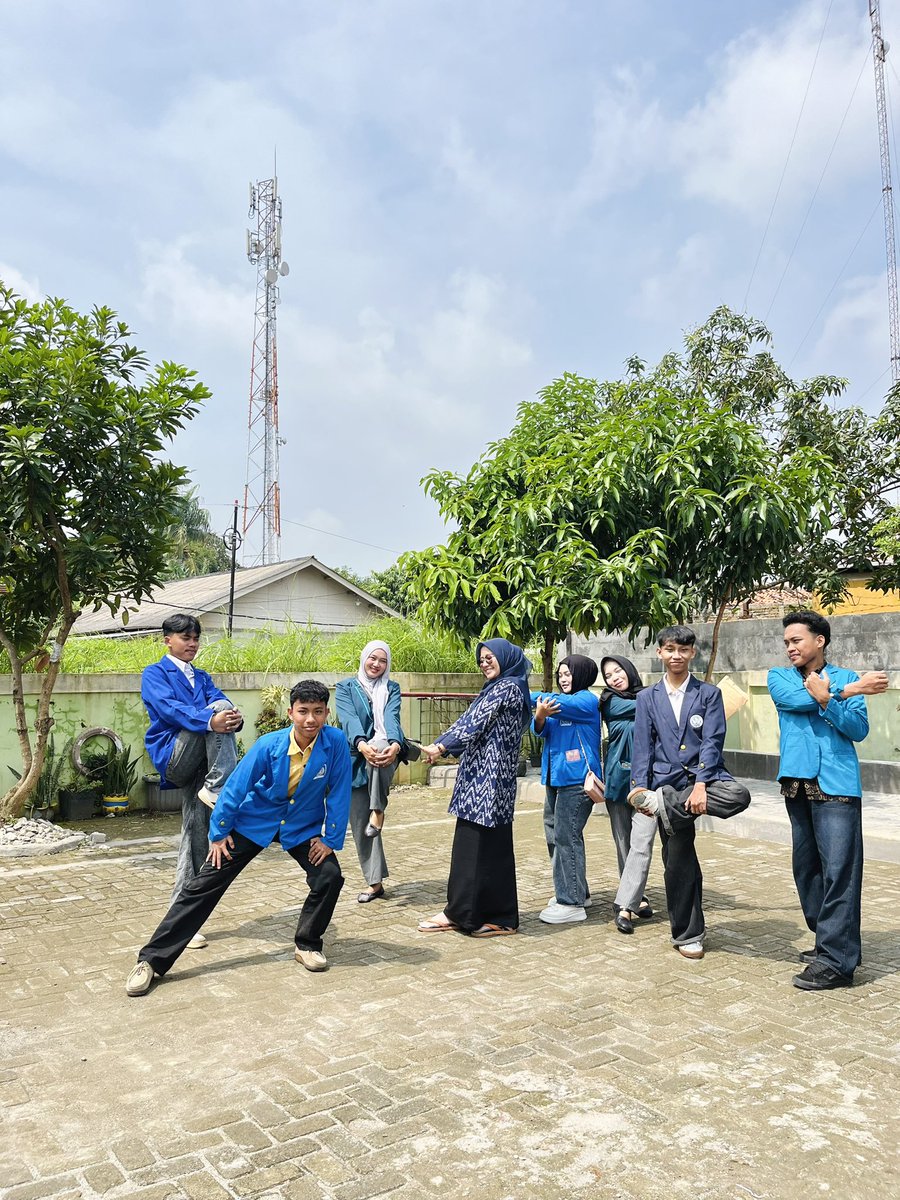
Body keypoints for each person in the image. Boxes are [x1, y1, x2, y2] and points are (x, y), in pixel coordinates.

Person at [125, 680, 351, 995]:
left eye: (317, 712)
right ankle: (151, 961)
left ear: (327, 713)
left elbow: (339, 791)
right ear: (291, 712)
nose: (310, 719)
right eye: (303, 711)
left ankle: (307, 944)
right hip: (253, 822)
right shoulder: (269, 745)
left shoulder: (336, 743)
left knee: (330, 876)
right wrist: (218, 835)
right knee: (202, 886)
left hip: (300, 828)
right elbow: (235, 789)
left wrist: (330, 839)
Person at [768, 611, 888, 991]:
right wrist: (845, 692)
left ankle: (837, 961)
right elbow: (793, 701)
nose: (790, 647)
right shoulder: (780, 678)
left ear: (819, 640)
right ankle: (829, 941)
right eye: (786, 642)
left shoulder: (849, 674)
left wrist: (830, 698)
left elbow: (858, 729)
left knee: (840, 872)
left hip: (837, 784)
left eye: (796, 640)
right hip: (796, 784)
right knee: (807, 871)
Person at [628, 625, 751, 960]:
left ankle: (665, 805)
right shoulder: (647, 698)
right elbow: (643, 746)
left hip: (706, 781)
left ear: (693, 652)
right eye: (670, 650)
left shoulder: (708, 694)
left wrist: (699, 783)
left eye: (683, 650)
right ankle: (688, 933)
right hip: (664, 782)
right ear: (660, 653)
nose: (676, 656)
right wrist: (639, 787)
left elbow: (713, 741)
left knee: (739, 796)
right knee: (679, 860)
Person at [141, 613, 243, 950]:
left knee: (195, 835)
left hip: (204, 763)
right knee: (210, 713)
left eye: (196, 638)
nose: (192, 643)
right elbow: (169, 710)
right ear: (167, 639)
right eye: (185, 637)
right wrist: (212, 718)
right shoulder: (154, 674)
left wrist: (232, 717)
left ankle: (183, 918)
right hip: (176, 757)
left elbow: (220, 708)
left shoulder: (202, 676)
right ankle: (219, 787)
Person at [418, 638, 532, 938]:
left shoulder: (507, 688)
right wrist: (445, 744)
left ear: (506, 658)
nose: (484, 663)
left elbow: (472, 722)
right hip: (484, 778)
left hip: (489, 780)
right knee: (487, 848)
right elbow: (474, 722)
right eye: (481, 659)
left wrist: (441, 745)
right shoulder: (500, 687)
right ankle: (492, 916)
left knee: (477, 848)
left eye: (490, 657)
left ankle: (468, 915)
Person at [531, 655, 604, 925]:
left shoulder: (585, 700)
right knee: (556, 835)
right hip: (555, 777)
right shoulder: (559, 705)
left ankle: (571, 903)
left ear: (582, 675)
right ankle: (576, 891)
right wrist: (539, 716)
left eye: (568, 673)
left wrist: (517, 691)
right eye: (560, 674)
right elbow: (541, 730)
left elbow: (554, 703)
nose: (563, 678)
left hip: (578, 780)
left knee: (566, 836)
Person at [335, 640, 408, 904]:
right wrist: (362, 744)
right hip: (356, 759)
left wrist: (397, 744)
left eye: (383, 660)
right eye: (373, 658)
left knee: (382, 745)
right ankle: (374, 883)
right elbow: (348, 718)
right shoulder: (345, 687)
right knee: (360, 825)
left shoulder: (392, 688)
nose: (377, 664)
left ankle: (378, 810)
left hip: (384, 752)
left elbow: (392, 717)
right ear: (364, 658)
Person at [599, 656, 656, 935]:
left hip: (647, 782)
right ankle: (637, 897)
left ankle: (625, 904)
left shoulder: (647, 695)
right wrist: (661, 702)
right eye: (608, 675)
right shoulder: (609, 700)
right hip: (619, 780)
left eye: (618, 671)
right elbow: (648, 707)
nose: (614, 678)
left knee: (641, 842)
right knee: (623, 842)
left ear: (629, 670)